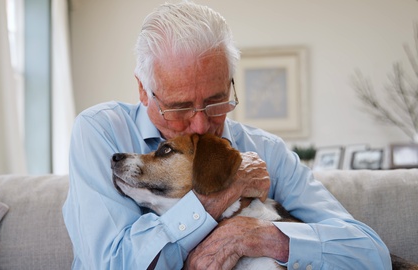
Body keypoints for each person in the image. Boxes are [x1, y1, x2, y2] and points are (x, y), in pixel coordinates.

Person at [63, 2, 391, 269]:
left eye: (216, 101)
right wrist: (226, 191)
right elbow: (113, 264)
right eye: (179, 107)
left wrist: (265, 237)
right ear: (143, 91)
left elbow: (369, 254)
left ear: (230, 83)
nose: (201, 126)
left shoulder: (267, 151)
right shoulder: (100, 132)